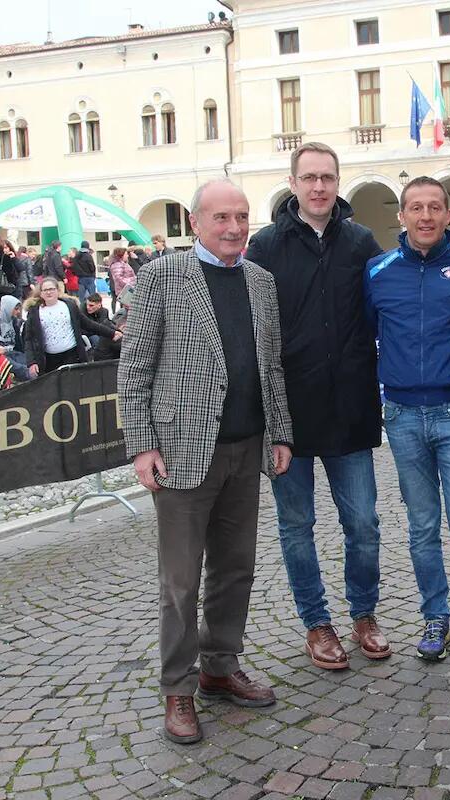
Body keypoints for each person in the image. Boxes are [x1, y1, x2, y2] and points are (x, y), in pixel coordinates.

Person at [118, 179, 293, 744]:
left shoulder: (260, 282)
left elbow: (271, 367)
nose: (234, 227)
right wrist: (142, 444)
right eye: (221, 217)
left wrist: (280, 435)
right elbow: (135, 367)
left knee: (236, 568)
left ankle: (220, 665)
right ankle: (178, 688)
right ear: (195, 222)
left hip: (246, 449)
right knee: (180, 581)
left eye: (242, 216)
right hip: (181, 455)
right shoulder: (162, 277)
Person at [243, 142, 389, 671]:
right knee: (296, 528)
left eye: (327, 177)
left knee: (364, 525)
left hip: (349, 409)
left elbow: (393, 299)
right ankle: (317, 623)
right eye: (310, 178)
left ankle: (365, 614)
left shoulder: (361, 242)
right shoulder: (265, 246)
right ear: (294, 182)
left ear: (338, 182)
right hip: (289, 416)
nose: (319, 186)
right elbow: (248, 326)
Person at [364, 176, 450, 673]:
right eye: (415, 208)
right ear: (401, 216)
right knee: (422, 529)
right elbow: (368, 338)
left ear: (448, 216)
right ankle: (435, 618)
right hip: (401, 416)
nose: (425, 216)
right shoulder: (377, 271)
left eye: (434, 207)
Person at [22, 277, 119, 376]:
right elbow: (29, 339)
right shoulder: (34, 312)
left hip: (72, 354)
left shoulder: (69, 305)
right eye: (45, 290)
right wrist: (31, 362)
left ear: (58, 290)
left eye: (51, 289)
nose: (48, 292)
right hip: (49, 359)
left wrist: (112, 333)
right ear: (41, 293)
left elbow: (88, 324)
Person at [107, 246, 137, 312]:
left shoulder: (123, 263)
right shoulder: (117, 265)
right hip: (125, 290)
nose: (127, 256)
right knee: (130, 310)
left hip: (127, 289)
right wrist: (132, 281)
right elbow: (119, 278)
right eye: (126, 254)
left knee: (130, 309)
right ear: (121, 255)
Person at [71, 241, 97, 306]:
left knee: (81, 297)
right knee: (93, 296)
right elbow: (92, 267)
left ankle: (81, 310)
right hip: (89, 278)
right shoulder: (88, 256)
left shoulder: (76, 256)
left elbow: (73, 267)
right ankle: (93, 309)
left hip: (80, 278)